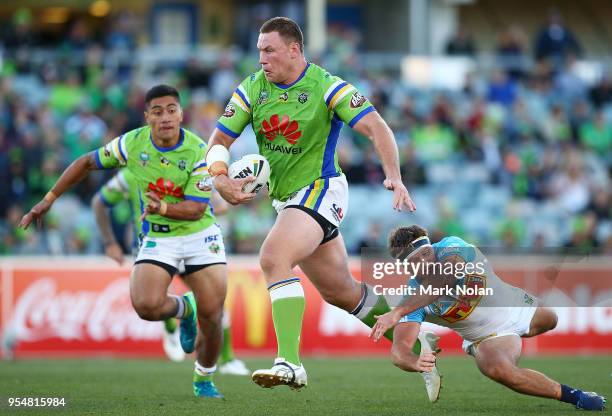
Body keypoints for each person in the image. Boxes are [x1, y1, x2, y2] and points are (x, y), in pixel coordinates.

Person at [204, 16, 440, 398]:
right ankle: (416, 341)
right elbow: (217, 140)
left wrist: (394, 175)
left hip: (321, 189)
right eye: (259, 50)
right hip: (287, 200)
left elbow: (377, 127)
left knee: (272, 257)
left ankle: (290, 363)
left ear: (294, 50)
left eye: (270, 50)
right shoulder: (252, 89)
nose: (261, 58)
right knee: (341, 292)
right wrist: (219, 178)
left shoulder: (328, 87)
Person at [20, 85, 228, 398]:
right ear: (147, 117)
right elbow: (87, 162)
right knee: (145, 305)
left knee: (213, 317)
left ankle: (204, 378)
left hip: (200, 234)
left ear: (181, 114)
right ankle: (185, 308)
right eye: (157, 112)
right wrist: (49, 198)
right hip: (160, 236)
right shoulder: (132, 144)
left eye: (171, 110)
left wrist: (164, 207)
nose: (165, 117)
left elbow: (197, 208)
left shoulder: (200, 150)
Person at [371, 225, 606, 411]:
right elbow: (399, 350)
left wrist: (397, 312)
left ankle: (517, 334)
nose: (424, 262)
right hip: (486, 338)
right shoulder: (412, 296)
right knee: (499, 371)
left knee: (551, 318)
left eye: (426, 254)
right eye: (415, 261)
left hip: (514, 306)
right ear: (406, 268)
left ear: (432, 247)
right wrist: (414, 363)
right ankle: (577, 396)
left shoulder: (452, 246)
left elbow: (446, 279)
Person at [92, 168, 250, 375]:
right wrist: (109, 242)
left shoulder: (191, 169)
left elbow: (218, 206)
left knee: (213, 301)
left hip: (191, 243)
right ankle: (170, 328)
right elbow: (100, 201)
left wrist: (197, 208)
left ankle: (228, 359)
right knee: (152, 300)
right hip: (152, 245)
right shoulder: (133, 172)